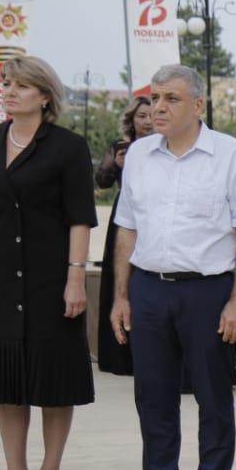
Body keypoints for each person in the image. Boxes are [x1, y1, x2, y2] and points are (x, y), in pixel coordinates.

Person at [109, 64, 236, 470]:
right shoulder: (138, 155)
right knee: (153, 398)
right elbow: (127, 229)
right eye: (154, 98)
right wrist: (120, 296)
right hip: (149, 289)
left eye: (171, 99)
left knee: (214, 398)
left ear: (198, 105)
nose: (157, 107)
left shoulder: (231, 156)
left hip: (208, 291)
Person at [0, 57, 96, 470]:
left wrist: (76, 279)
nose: (9, 92)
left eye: (20, 86)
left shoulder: (68, 147)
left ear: (44, 95)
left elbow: (80, 217)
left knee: (53, 381)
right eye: (7, 85)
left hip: (50, 280)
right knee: (7, 382)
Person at [94, 95, 153, 376]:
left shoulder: (164, 146)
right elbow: (101, 182)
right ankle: (119, 355)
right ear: (132, 120)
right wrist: (117, 166)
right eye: (142, 115)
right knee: (119, 279)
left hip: (152, 216)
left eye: (151, 115)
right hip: (125, 217)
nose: (147, 120)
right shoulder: (121, 147)